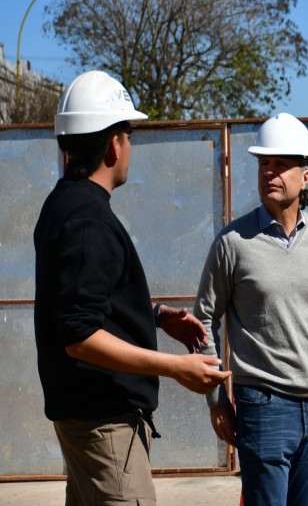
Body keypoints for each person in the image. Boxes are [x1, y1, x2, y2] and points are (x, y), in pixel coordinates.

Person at [34, 70, 231, 505]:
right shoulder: (87, 219)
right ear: (113, 144)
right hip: (105, 427)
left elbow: (84, 300)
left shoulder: (64, 203)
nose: (130, 147)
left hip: (88, 421)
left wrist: (157, 316)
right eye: (128, 134)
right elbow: (79, 336)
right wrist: (175, 367)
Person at [194, 112, 308, 506]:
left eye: (282, 165)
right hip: (262, 408)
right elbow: (204, 320)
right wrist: (217, 400)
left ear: (306, 175)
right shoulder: (233, 242)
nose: (270, 173)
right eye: (265, 164)